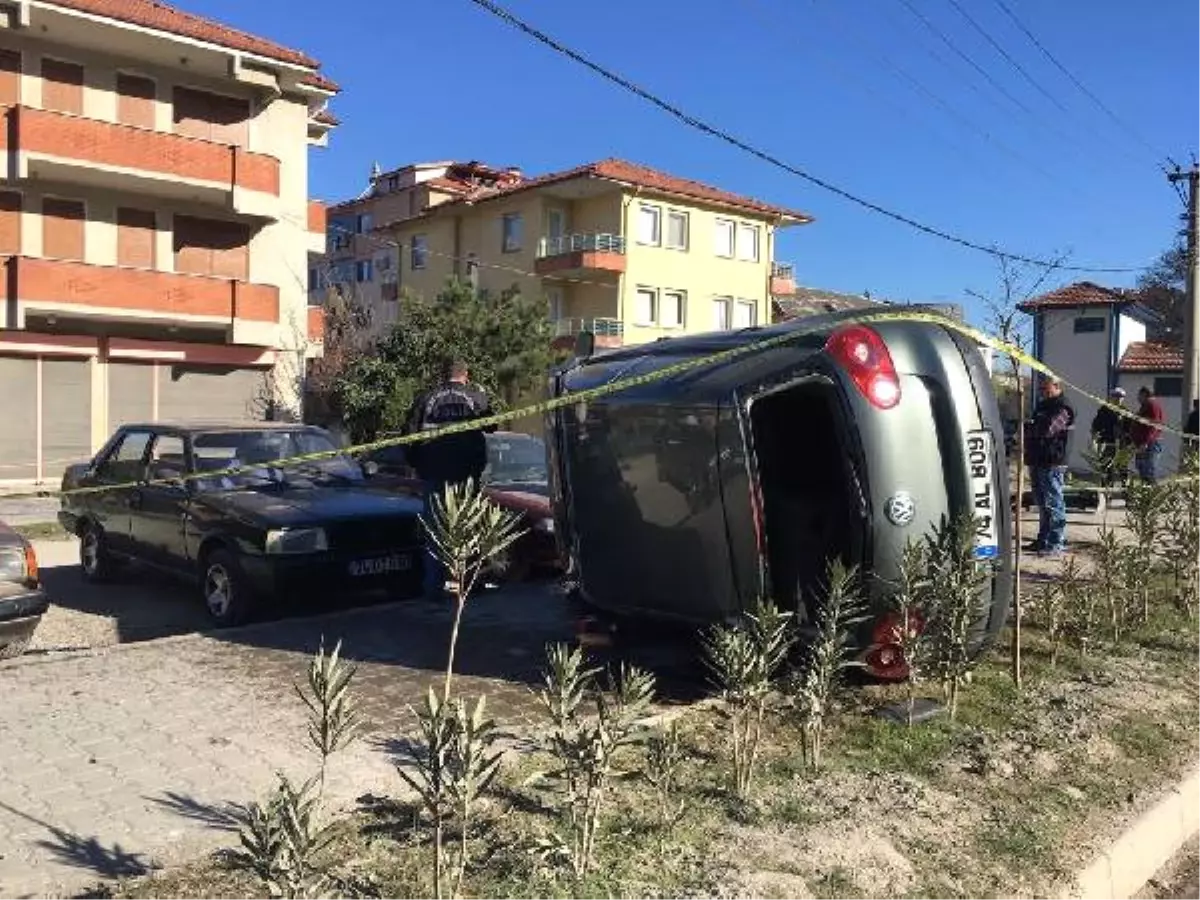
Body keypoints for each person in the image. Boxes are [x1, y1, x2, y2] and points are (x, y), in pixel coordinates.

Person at [403, 359, 496, 599]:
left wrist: (417, 464)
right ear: (466, 375)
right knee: (468, 529)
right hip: (466, 476)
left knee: (435, 533)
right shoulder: (475, 396)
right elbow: (492, 425)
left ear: (444, 376)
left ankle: (434, 589)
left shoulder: (426, 398)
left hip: (434, 474)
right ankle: (467, 586)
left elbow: (408, 436)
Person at [1024, 377, 1075, 557]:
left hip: (1053, 461)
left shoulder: (1063, 407)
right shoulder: (1043, 406)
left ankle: (1056, 542)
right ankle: (1043, 539)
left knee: (1054, 503)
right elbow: (1031, 427)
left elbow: (1048, 430)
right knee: (1042, 503)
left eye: (1046, 389)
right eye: (1041, 389)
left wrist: (1029, 429)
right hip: (1037, 459)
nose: (1043, 392)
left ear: (1057, 386)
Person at [1090, 387, 1129, 488]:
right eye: (1115, 396)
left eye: (1120, 397)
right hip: (1106, 442)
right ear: (1111, 397)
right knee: (1106, 467)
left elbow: (1130, 428)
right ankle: (1106, 489)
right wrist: (1094, 438)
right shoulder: (1104, 409)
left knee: (1122, 467)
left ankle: (1125, 489)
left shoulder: (1125, 411)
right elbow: (1095, 425)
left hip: (1121, 444)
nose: (1118, 399)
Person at [1129, 385, 1165, 484]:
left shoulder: (1152, 405)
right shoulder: (1146, 406)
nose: (1137, 398)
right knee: (1143, 471)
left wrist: (1145, 442)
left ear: (1144, 394)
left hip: (1148, 444)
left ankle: (1151, 496)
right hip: (1142, 444)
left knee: (1148, 472)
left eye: (1139, 395)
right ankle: (1145, 495)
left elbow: (1154, 425)